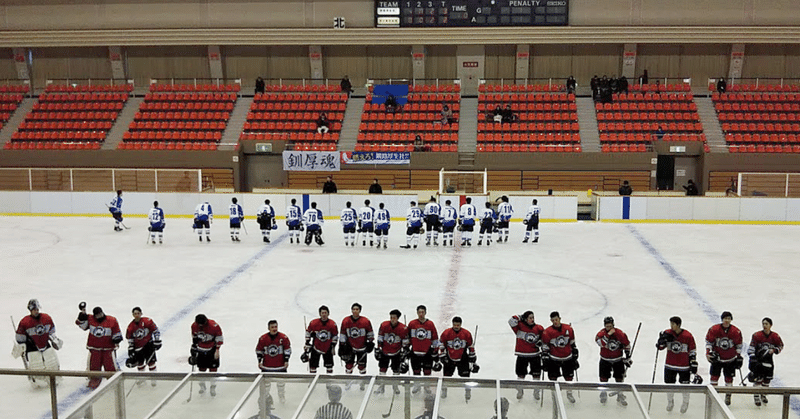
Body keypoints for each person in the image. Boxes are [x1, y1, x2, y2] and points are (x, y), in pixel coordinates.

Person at [13, 299, 62, 388]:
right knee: (36, 365)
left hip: (45, 344)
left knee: (52, 362)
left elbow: (51, 331)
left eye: (37, 309)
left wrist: (54, 339)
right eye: (34, 309)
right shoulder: (24, 322)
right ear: (30, 310)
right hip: (32, 348)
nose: (36, 311)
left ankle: (54, 379)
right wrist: (22, 346)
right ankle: (39, 383)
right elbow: (20, 338)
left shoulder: (46, 318)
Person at [656, 316, 697, 413]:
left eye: (673, 324)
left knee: (685, 386)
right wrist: (661, 342)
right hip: (670, 365)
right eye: (670, 323)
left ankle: (685, 402)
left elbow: (692, 350)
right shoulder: (667, 333)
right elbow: (660, 347)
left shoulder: (687, 335)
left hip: (684, 366)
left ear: (678, 325)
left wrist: (693, 361)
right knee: (669, 385)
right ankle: (670, 401)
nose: (671, 326)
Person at [76, 304, 122, 389]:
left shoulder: (112, 320)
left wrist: (117, 338)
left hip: (108, 349)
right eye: (97, 315)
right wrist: (81, 317)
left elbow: (117, 331)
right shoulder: (90, 319)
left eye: (100, 314)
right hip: (94, 348)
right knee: (94, 366)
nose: (99, 316)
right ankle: (94, 380)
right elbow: (83, 326)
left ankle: (114, 381)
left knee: (110, 366)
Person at [706, 311, 743, 406]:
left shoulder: (736, 331)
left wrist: (738, 357)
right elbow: (709, 342)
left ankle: (728, 395)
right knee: (714, 378)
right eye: (725, 318)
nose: (727, 320)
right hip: (717, 360)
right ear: (722, 319)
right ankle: (714, 396)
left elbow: (738, 345)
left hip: (730, 360)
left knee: (729, 379)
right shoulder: (714, 329)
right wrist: (708, 353)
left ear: (731, 320)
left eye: (729, 319)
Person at [541, 311, 578, 403]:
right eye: (553, 320)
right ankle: (554, 395)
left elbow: (572, 341)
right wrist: (545, 355)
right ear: (551, 320)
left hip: (567, 358)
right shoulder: (547, 332)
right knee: (553, 379)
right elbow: (545, 345)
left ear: (560, 318)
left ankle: (569, 393)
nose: (555, 322)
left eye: (556, 319)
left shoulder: (568, 328)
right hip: (554, 359)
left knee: (569, 378)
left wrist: (574, 350)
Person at [595, 316, 632, 406]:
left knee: (619, 378)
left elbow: (627, 345)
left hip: (617, 360)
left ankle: (620, 394)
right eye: (607, 326)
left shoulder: (620, 334)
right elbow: (601, 344)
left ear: (613, 325)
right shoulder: (600, 334)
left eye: (610, 326)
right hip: (605, 359)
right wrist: (608, 335)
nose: (609, 328)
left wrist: (627, 357)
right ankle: (603, 393)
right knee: (603, 378)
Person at [509, 310, 545, 400]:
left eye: (533, 317)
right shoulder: (519, 327)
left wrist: (541, 343)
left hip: (535, 355)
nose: (532, 319)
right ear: (525, 319)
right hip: (522, 355)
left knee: (536, 375)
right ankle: (520, 390)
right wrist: (520, 316)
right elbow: (511, 321)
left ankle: (536, 391)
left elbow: (544, 339)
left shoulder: (539, 328)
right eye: (530, 318)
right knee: (520, 374)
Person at [439, 316, 477, 401]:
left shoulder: (466, 333)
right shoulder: (446, 333)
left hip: (462, 359)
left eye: (458, 325)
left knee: (466, 377)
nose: (456, 326)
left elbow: (470, 346)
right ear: (452, 324)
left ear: (461, 324)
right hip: (449, 358)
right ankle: (444, 391)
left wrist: (472, 358)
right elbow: (441, 344)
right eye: (455, 325)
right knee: (446, 378)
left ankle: (467, 391)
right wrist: (442, 355)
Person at [747, 317, 783, 407]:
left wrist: (774, 350)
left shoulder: (775, 336)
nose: (764, 325)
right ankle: (756, 396)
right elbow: (751, 348)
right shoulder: (756, 335)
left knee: (767, 380)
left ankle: (763, 394)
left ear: (771, 325)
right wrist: (753, 358)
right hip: (758, 361)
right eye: (763, 324)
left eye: (766, 324)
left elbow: (780, 346)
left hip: (768, 361)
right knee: (757, 379)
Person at [339, 303, 374, 388]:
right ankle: (348, 382)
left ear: (360, 311)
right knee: (349, 366)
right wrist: (342, 345)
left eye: (357, 309)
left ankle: (362, 383)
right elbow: (343, 333)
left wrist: (370, 342)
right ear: (351, 310)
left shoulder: (365, 321)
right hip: (350, 348)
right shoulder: (346, 321)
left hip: (362, 348)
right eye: (353, 309)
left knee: (362, 366)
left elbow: (370, 332)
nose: (355, 311)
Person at [407, 305, 440, 393]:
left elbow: (435, 337)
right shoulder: (412, 324)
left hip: (427, 353)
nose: (421, 314)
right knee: (416, 371)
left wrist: (435, 350)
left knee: (427, 371)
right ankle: (416, 385)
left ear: (425, 313)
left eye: (423, 312)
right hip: (415, 352)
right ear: (417, 313)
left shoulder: (430, 324)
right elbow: (407, 337)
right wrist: (406, 347)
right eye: (419, 312)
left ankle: (426, 386)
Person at [256, 320, 291, 403]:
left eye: (276, 327)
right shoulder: (263, 338)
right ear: (268, 328)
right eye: (272, 327)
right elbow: (259, 350)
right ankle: (266, 397)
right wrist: (259, 361)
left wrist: (286, 360)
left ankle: (281, 396)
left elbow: (287, 349)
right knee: (266, 384)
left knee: (281, 383)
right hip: (267, 366)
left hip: (280, 366)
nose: (274, 329)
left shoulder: (283, 338)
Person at [125, 307, 162, 386]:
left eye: (138, 313)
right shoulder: (130, 327)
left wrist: (157, 340)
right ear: (133, 315)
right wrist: (131, 348)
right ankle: (142, 379)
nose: (137, 315)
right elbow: (130, 338)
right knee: (140, 364)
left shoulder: (147, 321)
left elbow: (156, 331)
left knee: (151, 363)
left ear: (141, 314)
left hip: (148, 345)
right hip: (138, 348)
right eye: (135, 314)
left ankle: (154, 379)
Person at [375, 309, 409, 395]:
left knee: (396, 370)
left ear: (398, 318)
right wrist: (379, 348)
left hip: (396, 352)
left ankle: (395, 386)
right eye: (391, 317)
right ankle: (381, 386)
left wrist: (404, 351)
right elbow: (380, 337)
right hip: (384, 352)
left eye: (394, 317)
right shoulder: (384, 325)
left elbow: (405, 341)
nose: (392, 319)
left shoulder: (403, 328)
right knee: (382, 369)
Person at [190, 314, 223, 396]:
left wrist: (217, 350)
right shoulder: (194, 326)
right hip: (200, 350)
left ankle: (212, 386)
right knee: (201, 369)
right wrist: (194, 347)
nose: (200, 326)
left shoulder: (214, 326)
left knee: (213, 370)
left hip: (211, 350)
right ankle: (202, 386)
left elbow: (219, 338)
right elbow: (194, 337)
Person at [304, 305, 338, 374]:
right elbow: (308, 332)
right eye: (322, 313)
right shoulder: (314, 323)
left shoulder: (332, 324)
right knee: (313, 367)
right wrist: (307, 342)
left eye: (325, 313)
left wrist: (333, 345)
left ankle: (329, 383)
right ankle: (312, 380)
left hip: (327, 348)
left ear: (328, 313)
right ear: (320, 314)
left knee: (329, 367)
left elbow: (335, 335)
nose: (324, 315)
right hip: (316, 348)